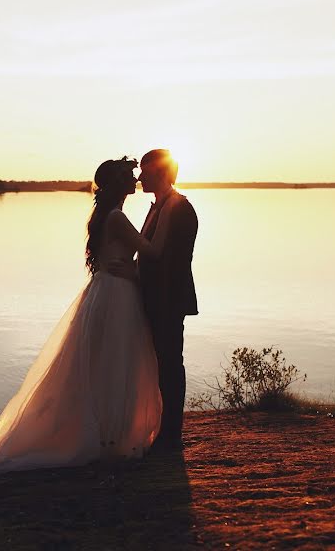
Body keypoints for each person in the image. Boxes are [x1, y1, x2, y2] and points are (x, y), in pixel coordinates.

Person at [0, 157, 178, 476]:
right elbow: (154, 251)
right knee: (114, 364)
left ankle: (111, 435)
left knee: (106, 365)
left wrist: (132, 264)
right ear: (118, 183)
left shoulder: (107, 216)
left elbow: (118, 257)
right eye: (130, 176)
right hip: (117, 295)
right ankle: (109, 438)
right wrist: (164, 212)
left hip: (107, 292)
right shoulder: (116, 217)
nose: (136, 179)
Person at [131, 149, 198, 451]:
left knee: (170, 363)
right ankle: (158, 426)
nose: (140, 177)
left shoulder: (180, 208)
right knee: (158, 364)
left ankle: (171, 433)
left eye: (145, 171)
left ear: (160, 173)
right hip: (151, 299)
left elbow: (174, 260)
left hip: (168, 300)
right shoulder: (158, 206)